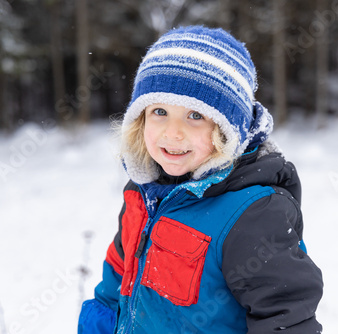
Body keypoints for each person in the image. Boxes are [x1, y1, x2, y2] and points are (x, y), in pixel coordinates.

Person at [78, 25, 323, 334]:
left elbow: (286, 317)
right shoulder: (142, 194)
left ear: (226, 130)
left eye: (195, 116)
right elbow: (117, 278)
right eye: (159, 111)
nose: (173, 132)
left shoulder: (252, 215)